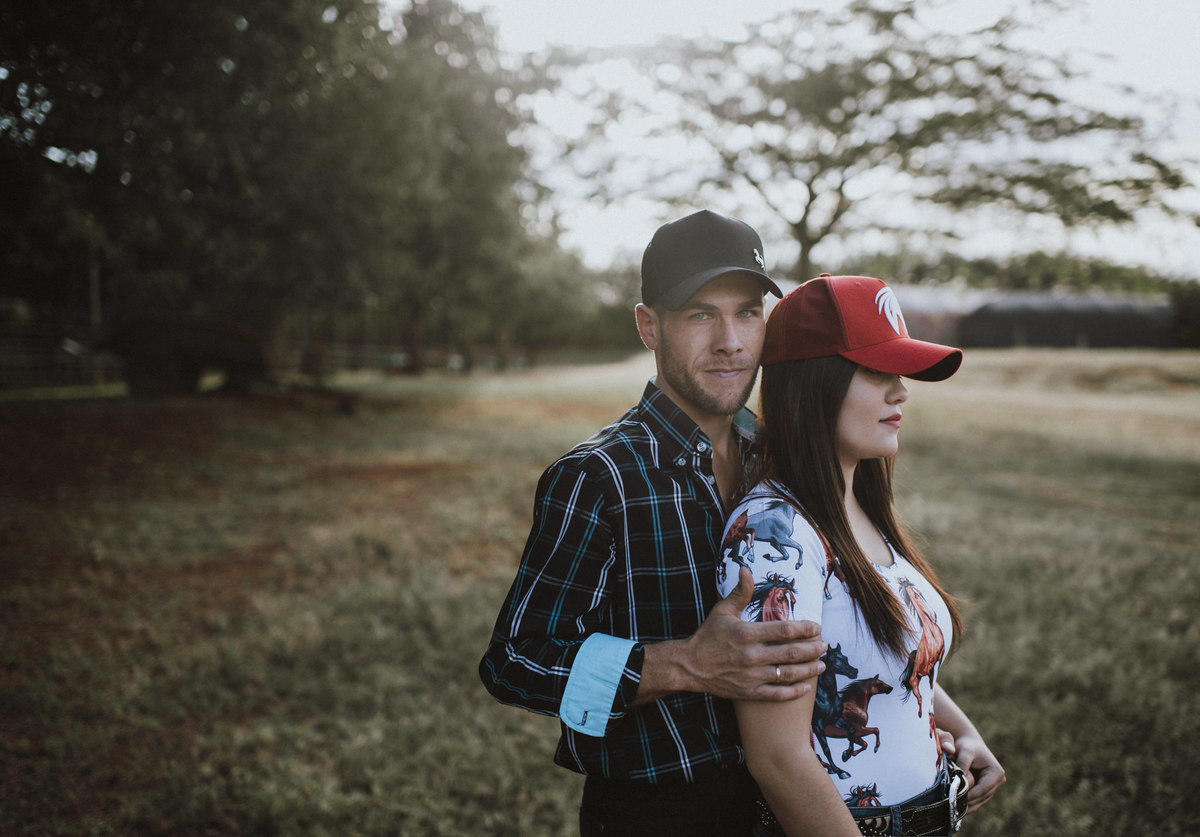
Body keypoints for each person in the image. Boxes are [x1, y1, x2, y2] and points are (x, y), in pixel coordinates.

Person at [479, 210, 829, 836]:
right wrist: (684, 664)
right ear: (648, 326)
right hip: (659, 812)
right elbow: (514, 662)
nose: (730, 341)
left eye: (748, 312)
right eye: (700, 314)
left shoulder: (779, 459)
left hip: (788, 798)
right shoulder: (599, 476)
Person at [717, 274, 1005, 836]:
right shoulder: (776, 534)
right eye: (876, 372)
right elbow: (777, 758)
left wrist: (965, 732)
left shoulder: (860, 506)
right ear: (812, 384)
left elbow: (881, 656)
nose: (901, 391)